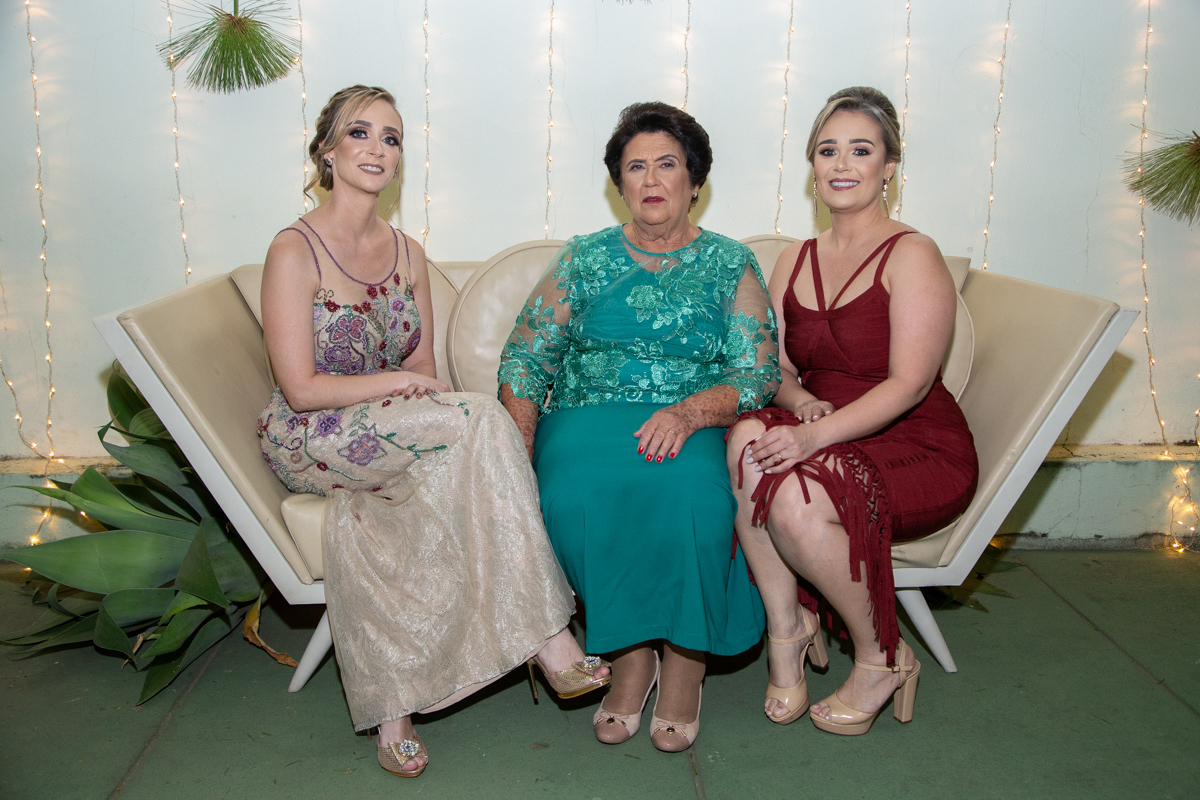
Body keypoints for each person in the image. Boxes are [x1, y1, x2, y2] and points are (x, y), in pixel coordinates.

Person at [256, 85, 609, 779]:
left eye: (391, 138)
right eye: (359, 133)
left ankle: (396, 709)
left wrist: (415, 397)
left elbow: (422, 371)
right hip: (311, 435)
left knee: (421, 481)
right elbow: (301, 388)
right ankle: (549, 638)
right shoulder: (293, 250)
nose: (377, 149)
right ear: (326, 151)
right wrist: (396, 388)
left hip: (387, 428)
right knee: (482, 417)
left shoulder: (408, 253)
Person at [499, 101, 780, 752]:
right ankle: (630, 656)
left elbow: (758, 371)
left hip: (692, 417)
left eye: (667, 164)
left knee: (695, 493)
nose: (651, 179)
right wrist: (518, 453)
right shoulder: (584, 258)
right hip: (584, 414)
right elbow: (525, 358)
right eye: (635, 167)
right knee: (571, 490)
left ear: (694, 179)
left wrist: (690, 413)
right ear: (619, 184)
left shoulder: (730, 262)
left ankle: (686, 661)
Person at [725, 86, 978, 736]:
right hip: (826, 426)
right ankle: (788, 628)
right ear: (811, 165)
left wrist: (814, 439)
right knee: (746, 440)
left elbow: (910, 384)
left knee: (795, 498)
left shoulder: (912, 254)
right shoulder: (795, 259)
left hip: (914, 442)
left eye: (861, 151)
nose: (841, 164)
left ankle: (882, 656)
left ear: (889, 166)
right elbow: (774, 368)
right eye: (827, 150)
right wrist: (801, 402)